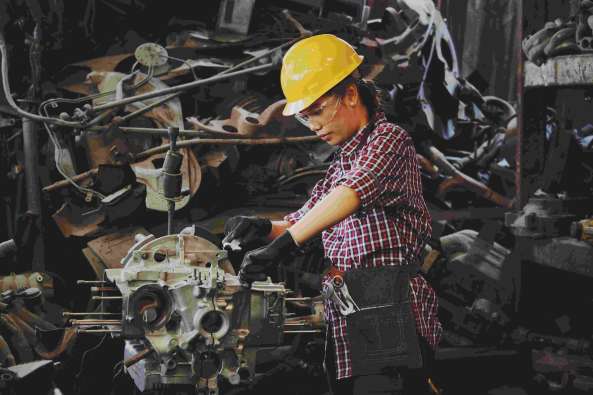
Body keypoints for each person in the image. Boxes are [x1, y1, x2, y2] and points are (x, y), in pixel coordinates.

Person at [223, 34, 442, 395]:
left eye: (318, 110)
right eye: (306, 117)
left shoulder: (389, 140)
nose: (314, 126)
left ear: (351, 94)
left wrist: (283, 245)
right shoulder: (341, 163)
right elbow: (304, 219)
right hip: (348, 305)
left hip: (387, 301)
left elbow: (351, 193)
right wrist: (262, 229)